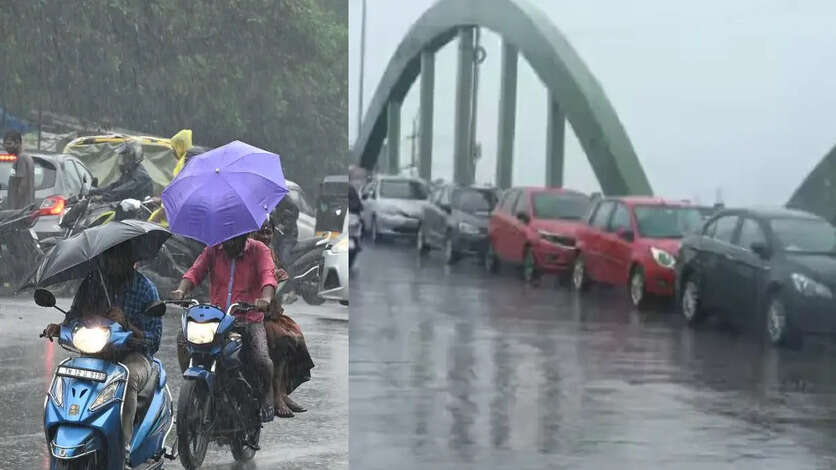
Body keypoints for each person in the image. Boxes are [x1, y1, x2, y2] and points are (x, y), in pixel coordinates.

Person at [41, 242, 162, 454]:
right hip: (94, 352)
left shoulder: (145, 289)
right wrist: (60, 328)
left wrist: (127, 324)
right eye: (109, 257)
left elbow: (154, 339)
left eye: (118, 257)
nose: (113, 262)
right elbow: (74, 316)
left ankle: (122, 449)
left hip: (131, 355)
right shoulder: (92, 283)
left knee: (128, 379)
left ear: (130, 260)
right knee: (65, 379)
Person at [171, 233, 278, 422]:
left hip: (248, 318)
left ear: (244, 235)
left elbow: (268, 276)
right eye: (227, 238)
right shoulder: (213, 249)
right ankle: (194, 386)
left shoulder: (259, 250)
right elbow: (195, 271)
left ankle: (267, 397)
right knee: (183, 338)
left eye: (234, 238)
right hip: (217, 319)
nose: (229, 242)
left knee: (261, 359)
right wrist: (181, 290)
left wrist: (266, 299)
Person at [251, 218, 314, 418]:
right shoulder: (248, 251)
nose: (265, 237)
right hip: (251, 313)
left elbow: (271, 284)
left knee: (294, 336)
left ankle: (281, 391)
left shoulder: (270, 253)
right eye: (260, 232)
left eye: (268, 232)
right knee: (281, 339)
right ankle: (274, 393)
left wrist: (277, 278)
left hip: (270, 311)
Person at [272, 195, 299, 303]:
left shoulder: (286, 200)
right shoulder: (269, 200)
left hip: (288, 236)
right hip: (277, 237)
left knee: (285, 259)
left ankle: (293, 291)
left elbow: (293, 214)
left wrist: (284, 225)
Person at [3, 130, 35, 210]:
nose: (6, 147)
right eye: (5, 144)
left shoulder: (22, 159)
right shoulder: (26, 157)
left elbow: (22, 185)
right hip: (24, 209)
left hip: (20, 210)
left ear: (17, 143)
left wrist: (15, 208)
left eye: (9, 144)